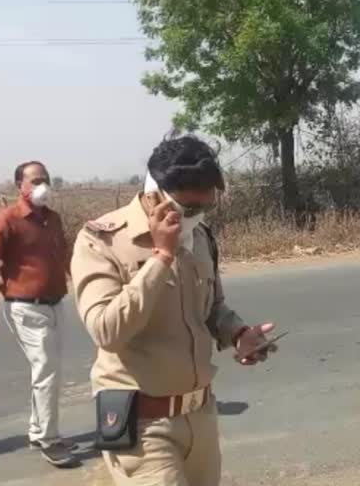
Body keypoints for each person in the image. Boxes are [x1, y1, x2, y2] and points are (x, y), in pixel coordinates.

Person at [70, 135, 276, 485]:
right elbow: (106, 330)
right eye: (188, 210)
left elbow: (212, 308)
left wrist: (239, 333)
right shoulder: (101, 240)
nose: (196, 218)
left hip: (200, 418)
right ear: (154, 194)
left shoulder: (200, 236)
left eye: (205, 208)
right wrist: (161, 257)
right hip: (143, 426)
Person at [0, 161, 77, 467]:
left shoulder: (53, 219)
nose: (42, 185)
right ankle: (49, 439)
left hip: (56, 303)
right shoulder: (6, 220)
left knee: (49, 371)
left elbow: (66, 259)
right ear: (20, 186)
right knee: (46, 369)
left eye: (45, 179)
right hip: (26, 307)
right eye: (34, 181)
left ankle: (38, 430)